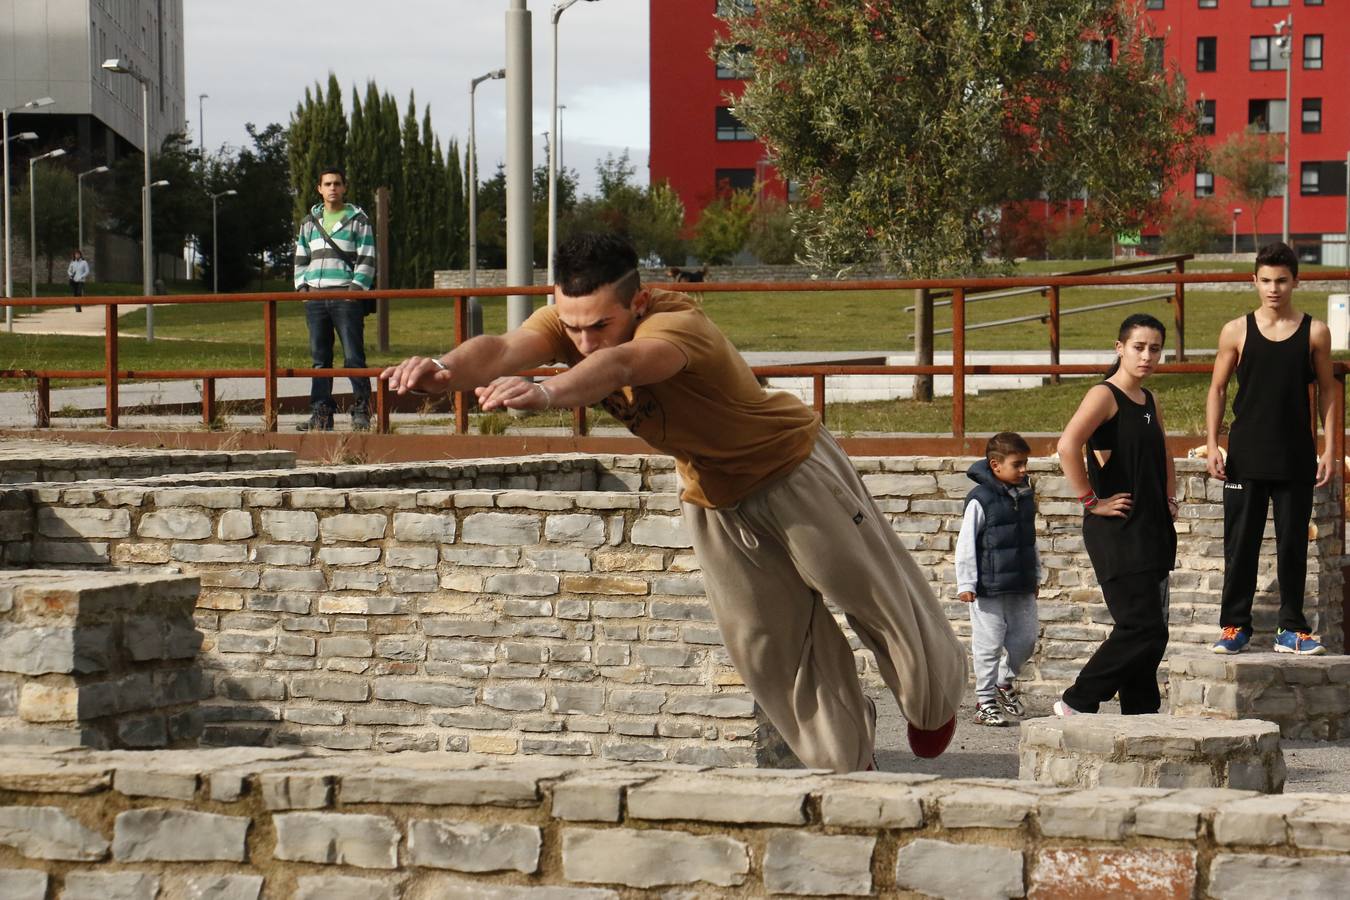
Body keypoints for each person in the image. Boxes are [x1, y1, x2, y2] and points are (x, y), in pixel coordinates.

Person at [381, 231, 966, 772]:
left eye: (600, 325)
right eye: (573, 327)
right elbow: (504, 346)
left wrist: (549, 390)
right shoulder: (572, 320)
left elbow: (621, 364)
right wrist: (444, 370)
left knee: (875, 599)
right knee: (769, 648)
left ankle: (933, 701)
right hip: (712, 496)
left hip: (791, 469)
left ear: (637, 303)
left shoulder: (677, 326)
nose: (584, 341)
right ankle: (846, 764)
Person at [1206, 242, 1334, 657]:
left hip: (1295, 456)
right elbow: (1217, 388)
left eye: (1281, 280)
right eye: (1266, 281)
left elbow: (1329, 391)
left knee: (1293, 544)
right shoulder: (1236, 330)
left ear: (1296, 281)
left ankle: (1291, 629)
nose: (1273, 288)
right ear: (1254, 281)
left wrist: (1330, 448)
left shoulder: (1315, 332)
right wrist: (1212, 443)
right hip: (1245, 456)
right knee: (1240, 544)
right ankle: (1234, 626)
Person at [1054, 314, 1177, 717]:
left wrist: (1169, 497)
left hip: (1152, 529)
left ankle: (1141, 715)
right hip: (1117, 530)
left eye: (1155, 349)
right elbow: (1067, 446)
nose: (1147, 356)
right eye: (1139, 347)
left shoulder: (1150, 399)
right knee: (1141, 626)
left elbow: (1164, 451)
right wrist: (1091, 501)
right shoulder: (1104, 395)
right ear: (1120, 348)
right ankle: (1077, 700)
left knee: (1153, 633)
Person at [957, 431, 1039, 727]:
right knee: (988, 645)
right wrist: (966, 583)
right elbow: (966, 542)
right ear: (995, 465)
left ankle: (1003, 682)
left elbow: (1030, 541)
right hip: (988, 588)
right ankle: (984, 702)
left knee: (1026, 641)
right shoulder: (980, 500)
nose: (1024, 470)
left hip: (1021, 585)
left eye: (1025, 463)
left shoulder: (1025, 496)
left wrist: (1036, 575)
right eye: (1017, 464)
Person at [293, 166, 376, 432]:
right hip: (316, 298)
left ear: (344, 187)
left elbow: (367, 257)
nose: (332, 188)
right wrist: (302, 289)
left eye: (337, 184)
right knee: (320, 359)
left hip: (345, 297)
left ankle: (362, 411)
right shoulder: (309, 222)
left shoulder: (359, 220)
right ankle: (321, 414)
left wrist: (354, 291)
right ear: (319, 189)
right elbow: (301, 257)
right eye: (327, 184)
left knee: (353, 357)